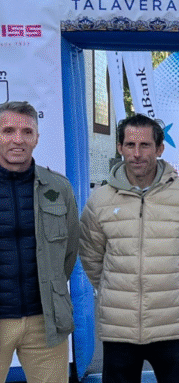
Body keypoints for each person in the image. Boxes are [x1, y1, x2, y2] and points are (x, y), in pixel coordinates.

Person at [80, 114, 179, 383]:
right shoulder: (100, 201)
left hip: (172, 325)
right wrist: (116, 289)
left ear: (160, 148)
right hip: (120, 328)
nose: (137, 153)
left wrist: (178, 291)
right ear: (119, 148)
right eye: (130, 145)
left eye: (145, 145)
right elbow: (91, 256)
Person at [0, 101, 79, 383]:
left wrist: (51, 288)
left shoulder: (59, 187)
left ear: (37, 138)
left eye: (27, 132)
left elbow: (70, 251)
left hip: (45, 320)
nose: (18, 139)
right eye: (8, 131)